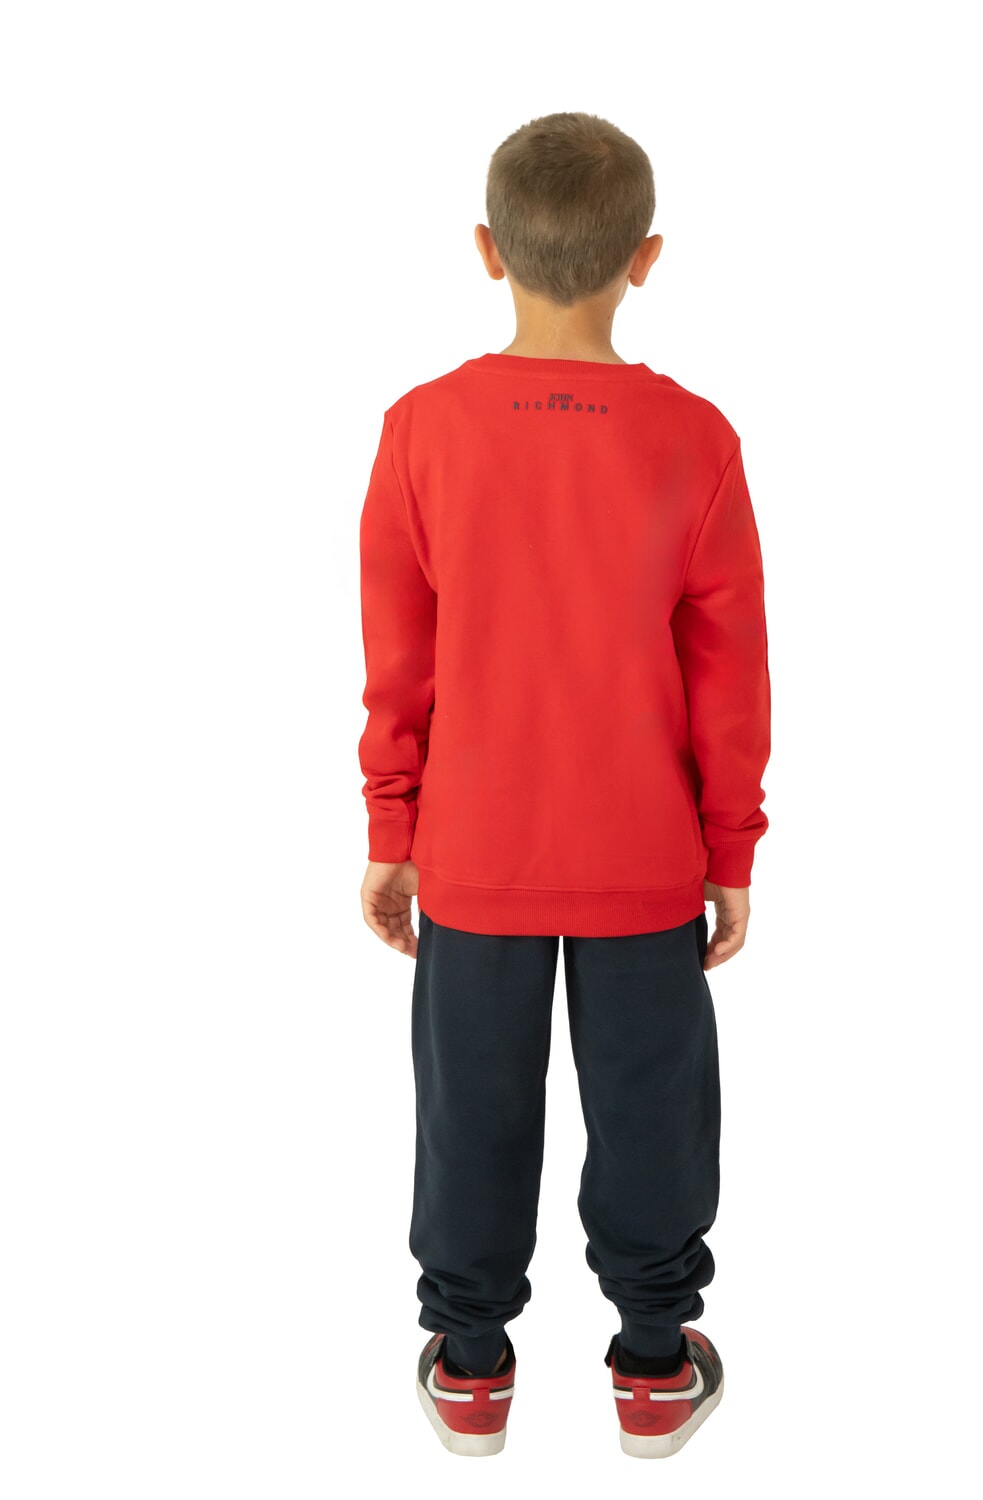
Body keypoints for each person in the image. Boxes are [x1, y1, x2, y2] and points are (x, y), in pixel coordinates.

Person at [357, 110, 771, 1459]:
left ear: (488, 249)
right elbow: (730, 672)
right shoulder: (694, 438)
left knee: (470, 1111)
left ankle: (471, 1365)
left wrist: (391, 827)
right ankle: (653, 1363)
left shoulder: (420, 430)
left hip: (475, 852)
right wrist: (730, 852)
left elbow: (398, 658)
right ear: (644, 258)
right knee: (653, 1111)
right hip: (644, 856)